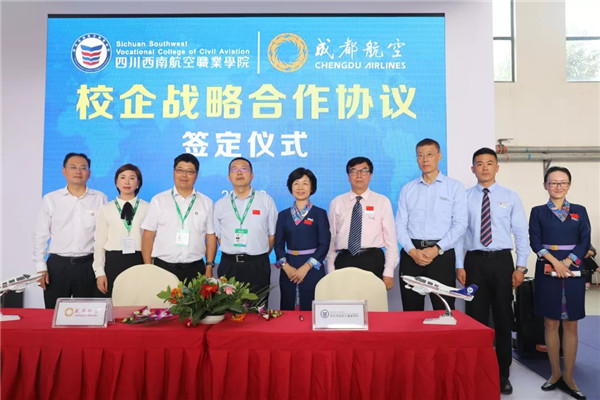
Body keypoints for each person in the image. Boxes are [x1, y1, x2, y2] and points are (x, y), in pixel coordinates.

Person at [455, 147, 529, 395]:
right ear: (472, 169)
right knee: (475, 319)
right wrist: (459, 264)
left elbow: (520, 233)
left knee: (503, 318)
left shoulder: (510, 196)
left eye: (489, 163)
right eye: (479, 163)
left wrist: (520, 266)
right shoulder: (464, 197)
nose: (484, 167)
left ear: (497, 167)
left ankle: (503, 373)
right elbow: (459, 235)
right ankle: (477, 370)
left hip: (502, 262)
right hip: (474, 262)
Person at [529, 166, 590, 400]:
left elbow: (585, 240)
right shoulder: (538, 212)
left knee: (572, 323)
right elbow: (535, 241)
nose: (558, 186)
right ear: (545, 185)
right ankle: (554, 373)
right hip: (548, 268)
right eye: (553, 182)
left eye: (563, 182)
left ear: (569, 185)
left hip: (573, 269)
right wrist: (556, 263)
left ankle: (569, 376)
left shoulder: (579, 211)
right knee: (551, 322)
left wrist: (568, 262)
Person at [395, 138, 467, 310]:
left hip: (441, 255)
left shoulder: (454, 187)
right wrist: (412, 251)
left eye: (429, 154)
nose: (425, 159)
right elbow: (400, 225)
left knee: (444, 309)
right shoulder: (408, 189)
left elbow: (460, 224)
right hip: (412, 255)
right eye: (420, 155)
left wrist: (437, 249)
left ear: (439, 156)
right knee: (411, 310)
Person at [33, 152, 108, 309]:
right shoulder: (51, 199)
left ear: (89, 173)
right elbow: (40, 235)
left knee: (88, 314)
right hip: (58, 266)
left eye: (83, 168)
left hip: (88, 265)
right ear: (64, 171)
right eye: (73, 167)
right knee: (54, 314)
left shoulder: (100, 198)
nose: (78, 171)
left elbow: (103, 235)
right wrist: (41, 268)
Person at [325, 156, 399, 290]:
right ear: (348, 176)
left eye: (364, 171)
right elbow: (331, 239)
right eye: (354, 171)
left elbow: (391, 240)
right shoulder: (337, 202)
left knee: (372, 301)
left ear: (370, 175)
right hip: (344, 260)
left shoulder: (382, 201)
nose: (359, 175)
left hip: (372, 259)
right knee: (344, 301)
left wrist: (389, 272)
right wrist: (330, 269)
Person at [141, 154, 216, 282]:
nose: (184, 175)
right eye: (180, 170)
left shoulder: (206, 203)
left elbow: (210, 236)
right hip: (163, 267)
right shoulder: (159, 200)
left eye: (190, 171)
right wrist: (149, 268)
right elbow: (148, 236)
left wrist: (209, 266)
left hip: (195, 268)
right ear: (174, 172)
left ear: (196, 175)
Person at [213, 157, 277, 296]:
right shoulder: (220, 204)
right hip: (229, 265)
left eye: (244, 168)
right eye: (234, 169)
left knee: (258, 306)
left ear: (252, 175)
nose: (239, 172)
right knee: (228, 306)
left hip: (257, 265)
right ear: (229, 177)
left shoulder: (266, 201)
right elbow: (219, 236)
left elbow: (272, 235)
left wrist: (257, 254)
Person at [274, 168, 330, 310]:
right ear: (290, 187)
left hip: (312, 268)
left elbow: (324, 244)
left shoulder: (320, 213)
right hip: (289, 268)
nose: (300, 187)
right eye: (296, 183)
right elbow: (278, 244)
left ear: (312, 187)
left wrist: (306, 267)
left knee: (312, 309)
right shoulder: (283, 215)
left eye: (305, 183)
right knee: (288, 306)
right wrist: (285, 266)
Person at [93, 164, 149, 297]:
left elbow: (152, 241)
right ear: (116, 182)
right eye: (123, 177)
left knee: (137, 302)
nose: (127, 182)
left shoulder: (148, 208)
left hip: (139, 261)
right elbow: (99, 243)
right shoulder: (106, 209)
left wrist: (150, 267)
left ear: (138, 183)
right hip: (114, 261)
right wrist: (99, 272)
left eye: (132, 178)